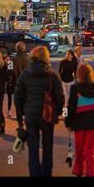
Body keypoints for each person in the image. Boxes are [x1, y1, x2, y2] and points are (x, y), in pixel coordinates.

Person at [14, 46, 64, 177]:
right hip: (47, 114)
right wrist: (56, 112)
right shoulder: (52, 75)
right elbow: (60, 96)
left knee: (33, 148)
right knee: (48, 147)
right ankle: (46, 173)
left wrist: (21, 115)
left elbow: (17, 96)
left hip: (30, 114)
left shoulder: (25, 74)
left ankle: (35, 173)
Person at [65, 64, 94, 176]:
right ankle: (91, 173)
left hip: (79, 122)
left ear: (79, 74)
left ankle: (78, 170)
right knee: (91, 149)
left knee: (79, 147)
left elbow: (71, 107)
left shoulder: (75, 88)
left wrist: (68, 122)